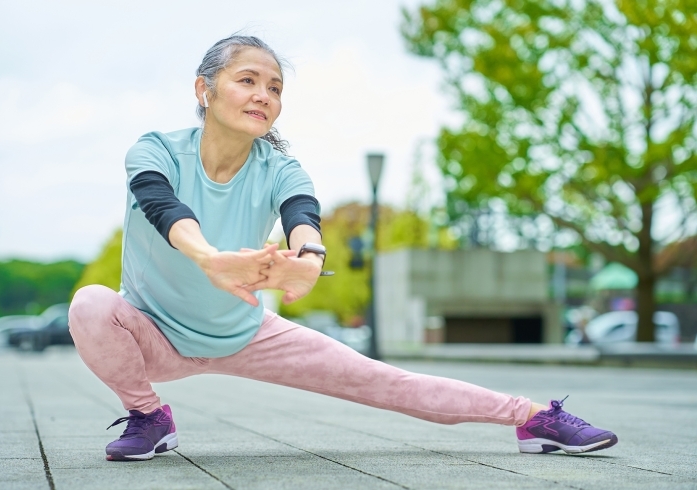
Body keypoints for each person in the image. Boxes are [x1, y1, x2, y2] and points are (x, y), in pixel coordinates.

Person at [68, 35, 618, 462]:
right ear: (203, 90)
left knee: (387, 382)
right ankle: (149, 417)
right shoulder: (155, 150)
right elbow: (164, 209)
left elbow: (304, 220)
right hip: (153, 333)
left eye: (276, 87)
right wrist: (212, 259)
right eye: (248, 80)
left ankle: (534, 419)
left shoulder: (282, 168)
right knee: (90, 305)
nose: (264, 94)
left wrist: (309, 263)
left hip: (246, 333)